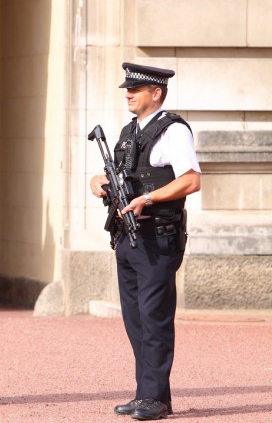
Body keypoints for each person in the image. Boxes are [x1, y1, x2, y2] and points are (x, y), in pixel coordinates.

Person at [90, 63, 201, 420]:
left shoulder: (173, 131)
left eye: (136, 89)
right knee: (136, 320)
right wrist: (98, 182)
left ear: (156, 93)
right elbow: (122, 175)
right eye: (127, 88)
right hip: (127, 237)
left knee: (153, 317)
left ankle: (151, 397)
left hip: (157, 237)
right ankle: (151, 396)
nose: (128, 93)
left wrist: (148, 199)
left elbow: (191, 180)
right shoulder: (127, 132)